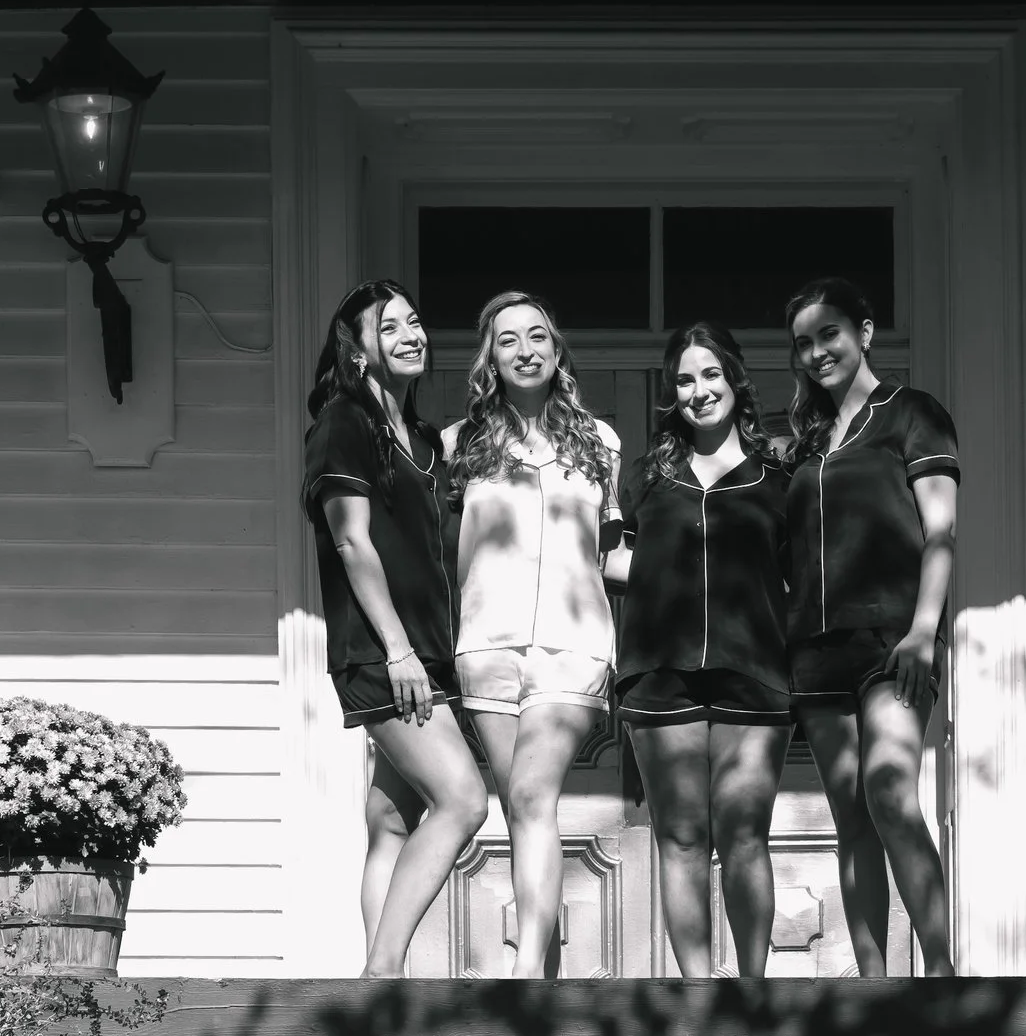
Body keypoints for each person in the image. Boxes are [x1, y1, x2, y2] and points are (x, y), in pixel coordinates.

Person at [301, 279, 490, 978]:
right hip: (383, 651)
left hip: (428, 654)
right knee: (464, 802)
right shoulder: (342, 423)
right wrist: (401, 650)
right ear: (357, 351)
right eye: (391, 327)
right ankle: (383, 975)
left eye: (415, 322)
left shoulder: (422, 441)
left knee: (390, 821)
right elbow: (352, 543)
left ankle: (374, 1000)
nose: (412, 335)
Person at [604, 322, 794, 978]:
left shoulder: (778, 474)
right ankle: (697, 998)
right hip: (661, 674)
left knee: (744, 836)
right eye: (684, 379)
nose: (698, 389)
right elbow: (612, 561)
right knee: (681, 837)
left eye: (710, 374)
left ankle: (751, 995)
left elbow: (805, 572)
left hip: (754, 672)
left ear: (735, 380)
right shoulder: (648, 477)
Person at [782, 276, 959, 977]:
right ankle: (873, 994)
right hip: (817, 654)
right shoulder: (803, 443)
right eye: (803, 342)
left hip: (895, 643)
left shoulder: (912, 413)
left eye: (829, 333)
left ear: (864, 331)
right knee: (851, 821)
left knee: (891, 795)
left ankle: (943, 982)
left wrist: (924, 630)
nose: (817, 351)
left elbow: (941, 532)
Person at [446, 291, 622, 978]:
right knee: (522, 810)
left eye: (539, 336)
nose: (526, 349)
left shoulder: (599, 442)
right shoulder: (460, 446)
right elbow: (445, 550)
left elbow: (612, 551)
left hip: (574, 645)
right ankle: (543, 980)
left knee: (530, 796)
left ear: (557, 350)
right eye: (509, 339)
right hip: (486, 644)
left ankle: (524, 973)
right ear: (491, 356)